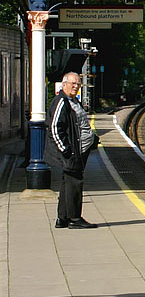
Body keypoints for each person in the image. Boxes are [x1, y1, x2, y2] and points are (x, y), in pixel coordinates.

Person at [49, 72, 99, 229]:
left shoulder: (72, 100)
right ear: (64, 84)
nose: (76, 86)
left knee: (68, 182)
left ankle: (62, 217)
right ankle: (74, 218)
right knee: (75, 183)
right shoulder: (62, 102)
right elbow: (55, 127)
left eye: (78, 84)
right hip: (72, 151)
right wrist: (66, 150)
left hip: (79, 149)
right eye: (73, 83)